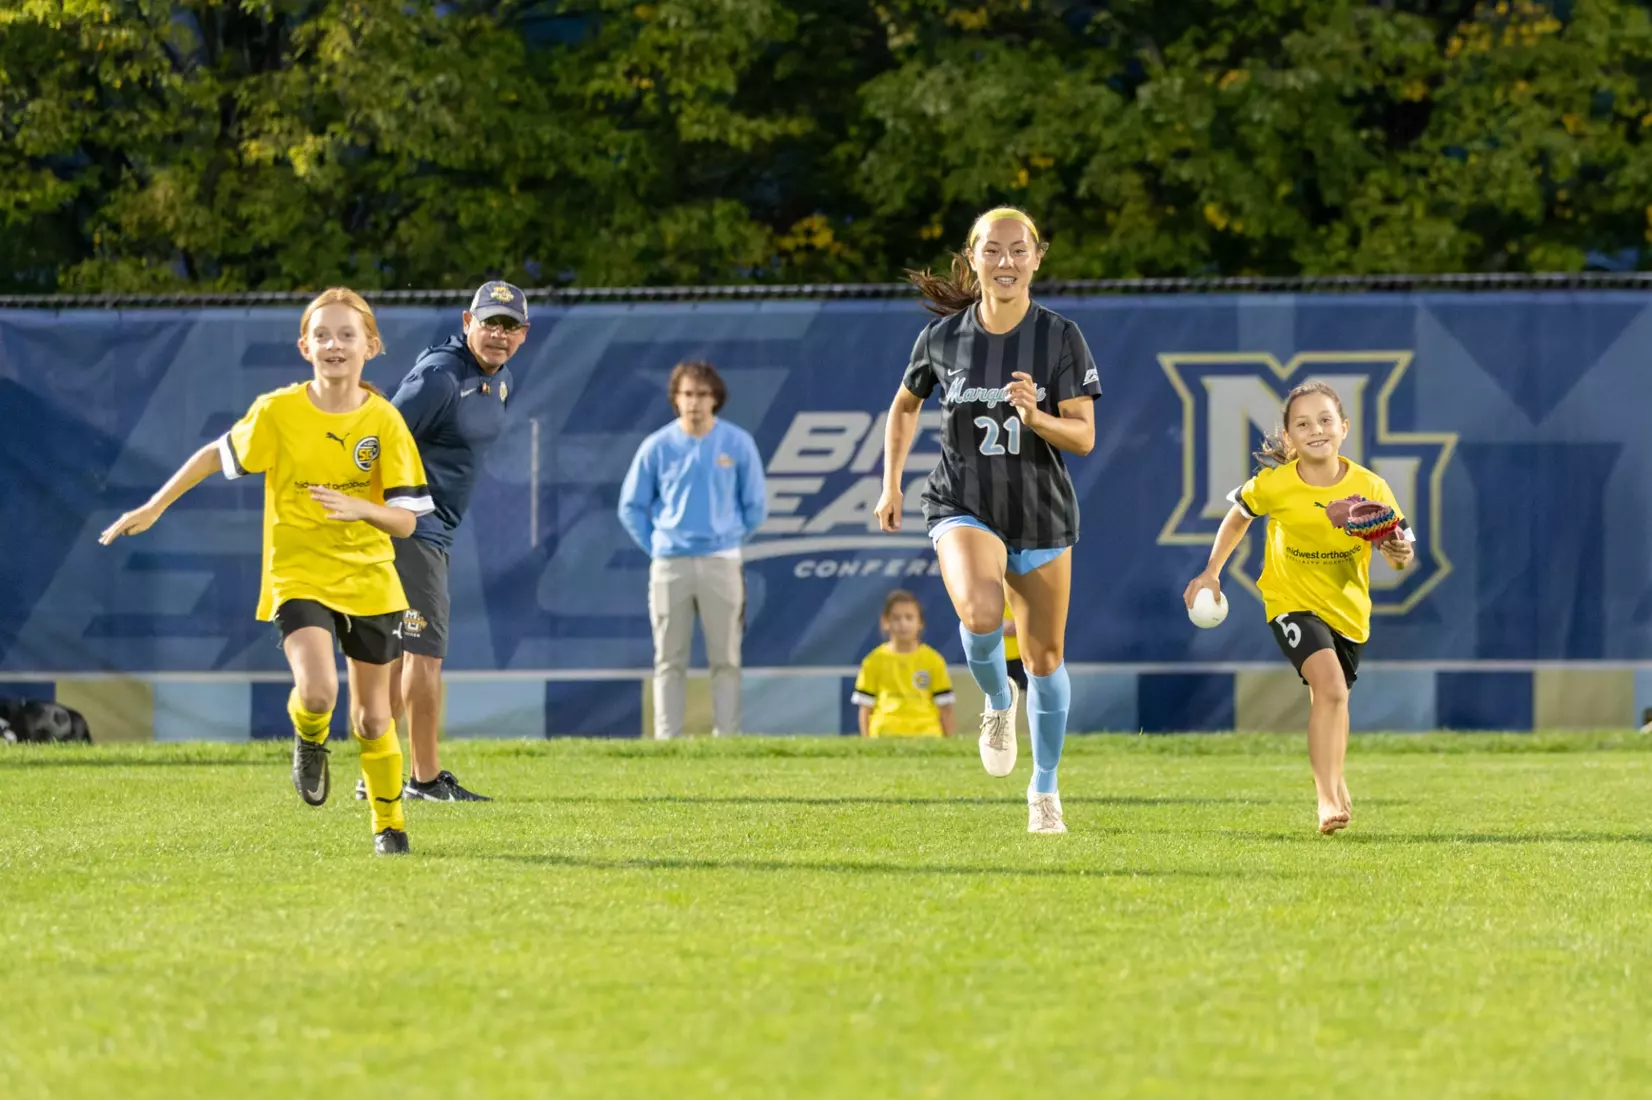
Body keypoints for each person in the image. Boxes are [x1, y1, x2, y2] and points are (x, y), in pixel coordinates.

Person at [100, 288, 433, 856]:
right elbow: (214, 454)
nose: (334, 345)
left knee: (374, 720)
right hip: (297, 574)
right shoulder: (278, 412)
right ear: (305, 346)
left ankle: (389, 825)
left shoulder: (385, 420)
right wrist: (154, 506)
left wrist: (360, 508)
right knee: (319, 691)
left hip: (370, 578)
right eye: (322, 335)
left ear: (370, 346)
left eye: (346, 335)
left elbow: (405, 522)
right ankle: (310, 737)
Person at [874, 205, 1101, 835]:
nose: (1006, 261)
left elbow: (1084, 437)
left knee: (1045, 659)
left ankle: (1044, 788)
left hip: (1040, 513)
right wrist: (891, 483)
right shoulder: (942, 337)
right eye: (992, 250)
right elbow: (904, 407)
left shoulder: (1059, 336)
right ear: (972, 258)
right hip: (962, 503)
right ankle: (998, 700)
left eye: (1018, 250)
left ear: (1037, 258)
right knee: (979, 613)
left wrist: (1037, 416)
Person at [1182, 380, 1414, 835]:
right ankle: (1326, 799)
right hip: (1290, 602)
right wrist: (1211, 571)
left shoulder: (1371, 486)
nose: (1316, 430)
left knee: (1333, 699)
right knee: (1330, 688)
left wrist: (1398, 552)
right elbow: (1239, 514)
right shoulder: (1276, 484)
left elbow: (1398, 549)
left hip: (1348, 612)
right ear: (1288, 437)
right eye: (1303, 424)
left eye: (1325, 420)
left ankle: (1334, 777)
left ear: (1344, 427)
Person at [350, 280, 530, 805]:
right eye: (490, 322)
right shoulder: (439, 377)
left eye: (510, 325)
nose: (499, 334)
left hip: (433, 531)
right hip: (412, 530)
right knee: (424, 655)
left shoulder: (499, 378)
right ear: (468, 321)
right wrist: (380, 515)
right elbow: (377, 440)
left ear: (524, 333)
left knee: (404, 657)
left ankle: (377, 773)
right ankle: (424, 781)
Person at [618, 360, 767, 739]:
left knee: (726, 658)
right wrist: (657, 545)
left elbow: (756, 507)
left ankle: (727, 738)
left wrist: (729, 540)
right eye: (687, 394)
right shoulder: (657, 447)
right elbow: (630, 507)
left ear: (716, 398)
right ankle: (667, 739)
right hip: (670, 563)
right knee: (669, 658)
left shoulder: (738, 443)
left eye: (702, 394)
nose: (694, 402)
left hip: (722, 562)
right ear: (675, 398)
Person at [852, 590, 956, 738]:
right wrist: (867, 743)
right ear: (885, 622)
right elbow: (865, 708)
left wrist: (948, 743)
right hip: (885, 734)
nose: (903, 624)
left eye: (909, 617)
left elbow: (945, 708)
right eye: (896, 618)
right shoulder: (872, 661)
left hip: (927, 734)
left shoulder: (934, 660)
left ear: (920, 623)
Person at [1001, 595, 1027, 691]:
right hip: (999, 655)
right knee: (1001, 696)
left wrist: (1022, 625)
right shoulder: (989, 590)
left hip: (1027, 654)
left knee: (1034, 694)